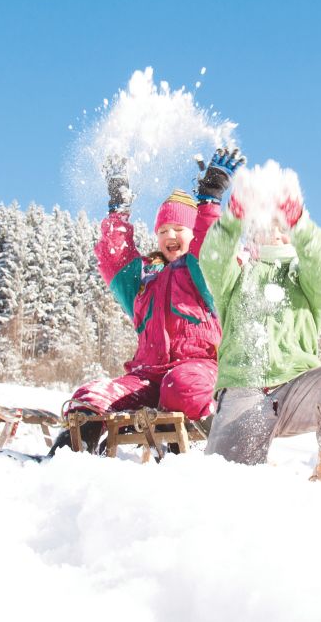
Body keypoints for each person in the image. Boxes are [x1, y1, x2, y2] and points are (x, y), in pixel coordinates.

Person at [198, 162, 321, 503]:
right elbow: (210, 259)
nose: (272, 231)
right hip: (244, 390)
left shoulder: (306, 278)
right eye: (263, 225)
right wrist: (233, 215)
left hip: (299, 389)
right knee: (224, 491)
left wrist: (298, 218)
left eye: (281, 226)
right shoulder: (236, 276)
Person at [49, 148, 245, 455]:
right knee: (91, 396)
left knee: (181, 387)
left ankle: (215, 430)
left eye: (179, 229)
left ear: (193, 233)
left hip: (200, 370)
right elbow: (114, 258)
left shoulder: (203, 273)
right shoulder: (145, 279)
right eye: (163, 230)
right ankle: (70, 453)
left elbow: (212, 251)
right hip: (148, 376)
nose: (170, 235)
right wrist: (118, 209)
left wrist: (208, 202)